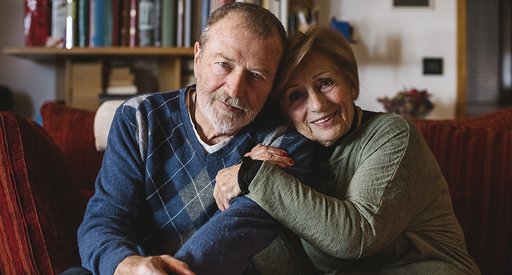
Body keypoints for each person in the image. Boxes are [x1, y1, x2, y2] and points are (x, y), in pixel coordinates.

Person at [214, 25, 481, 274]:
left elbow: (354, 238)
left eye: (325, 83)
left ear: (351, 84)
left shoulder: (392, 134)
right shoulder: (292, 151)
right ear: (284, 112)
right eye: (296, 96)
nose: (317, 105)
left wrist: (253, 177)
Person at [76, 3, 313, 275]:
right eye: (224, 64)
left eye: (256, 75)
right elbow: (105, 217)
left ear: (273, 83)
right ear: (198, 57)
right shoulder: (139, 117)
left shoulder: (283, 144)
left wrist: (249, 174)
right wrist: (126, 265)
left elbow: (235, 233)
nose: (235, 89)